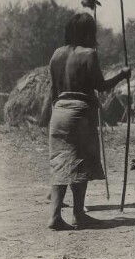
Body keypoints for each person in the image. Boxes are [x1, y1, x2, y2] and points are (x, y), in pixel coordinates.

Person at [48, 13, 130, 230]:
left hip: (58, 112)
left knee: (60, 162)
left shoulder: (56, 54)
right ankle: (78, 214)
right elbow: (100, 86)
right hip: (79, 113)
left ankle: (55, 215)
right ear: (88, 32)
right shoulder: (89, 54)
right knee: (79, 163)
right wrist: (122, 75)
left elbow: (53, 90)